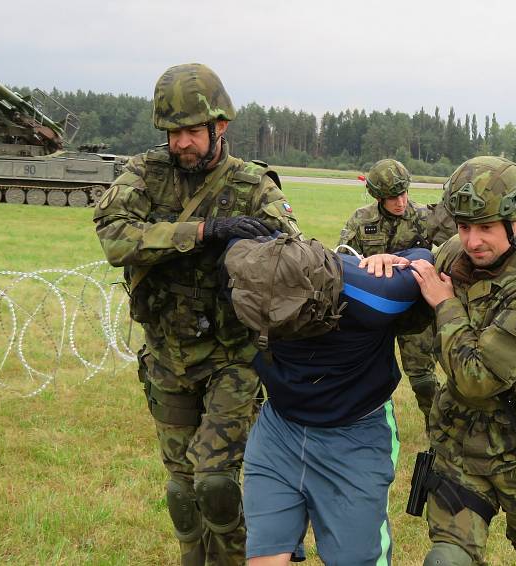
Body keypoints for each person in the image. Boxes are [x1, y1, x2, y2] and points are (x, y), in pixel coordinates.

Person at [93, 63, 301, 566]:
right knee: (182, 488)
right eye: (172, 133)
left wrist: (252, 252)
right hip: (167, 355)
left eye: (191, 131)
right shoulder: (144, 174)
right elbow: (115, 237)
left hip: (232, 355)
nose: (181, 143)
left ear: (219, 127)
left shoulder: (253, 186)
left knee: (213, 479)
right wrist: (206, 232)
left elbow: (294, 259)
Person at [405, 156, 516, 566]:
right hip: (459, 444)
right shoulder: (455, 254)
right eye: (464, 227)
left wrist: (445, 304)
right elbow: (419, 276)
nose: (472, 241)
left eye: (485, 228)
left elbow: (478, 378)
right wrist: (392, 264)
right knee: (445, 560)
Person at [239, 244, 434, 565]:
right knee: (264, 556)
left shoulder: (370, 298)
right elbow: (236, 241)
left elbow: (419, 263)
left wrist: (396, 259)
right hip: (279, 431)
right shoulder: (249, 284)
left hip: (354, 437)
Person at [339, 159, 439, 425]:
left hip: (413, 312)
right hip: (372, 310)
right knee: (362, 375)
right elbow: (342, 259)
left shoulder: (425, 218)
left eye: (404, 193)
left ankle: (438, 431)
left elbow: (446, 257)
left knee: (423, 377)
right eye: (393, 197)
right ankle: (357, 425)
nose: (401, 201)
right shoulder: (362, 220)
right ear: (378, 196)